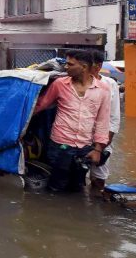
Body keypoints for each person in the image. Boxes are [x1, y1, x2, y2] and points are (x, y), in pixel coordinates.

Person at [34, 49, 110, 192]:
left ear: (84, 67)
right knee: (55, 186)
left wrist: (98, 150)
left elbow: (103, 121)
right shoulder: (59, 84)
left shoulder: (103, 89)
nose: (66, 67)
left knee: (78, 186)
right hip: (59, 144)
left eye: (70, 64)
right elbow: (40, 105)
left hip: (84, 146)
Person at [89, 50, 121, 189]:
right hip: (79, 137)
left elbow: (114, 117)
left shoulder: (110, 84)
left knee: (99, 177)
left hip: (102, 138)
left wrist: (103, 144)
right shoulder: (74, 82)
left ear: (98, 65)